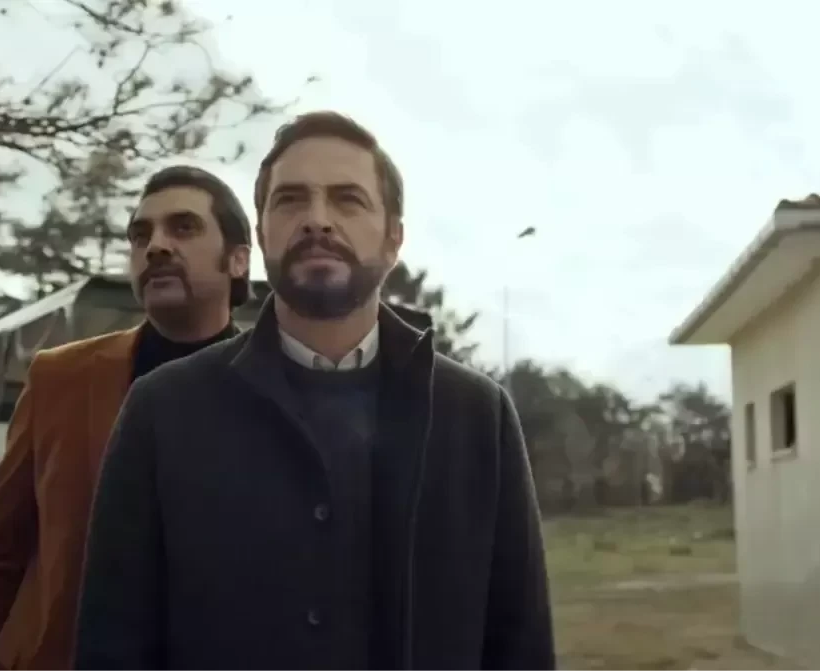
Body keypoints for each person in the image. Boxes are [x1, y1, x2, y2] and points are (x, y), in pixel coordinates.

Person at [74, 111, 556, 671]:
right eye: (291, 200)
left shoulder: (477, 416)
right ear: (261, 236)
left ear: (393, 238)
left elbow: (520, 644)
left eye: (348, 199)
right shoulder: (162, 410)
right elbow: (112, 645)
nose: (317, 220)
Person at [0, 165, 252, 671]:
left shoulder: (274, 388)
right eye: (140, 235)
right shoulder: (62, 378)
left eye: (183, 228)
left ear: (238, 259)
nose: (156, 246)